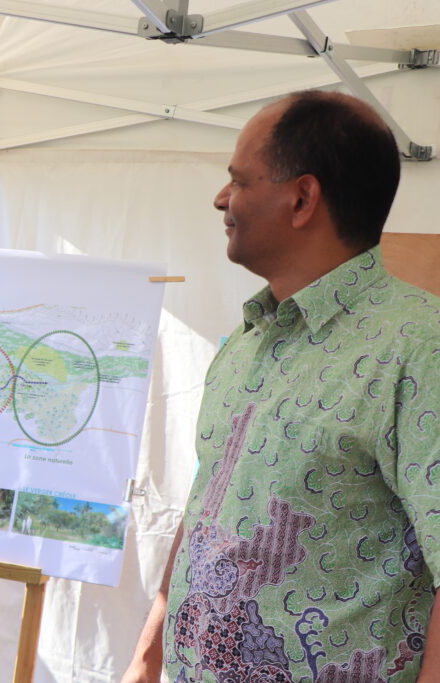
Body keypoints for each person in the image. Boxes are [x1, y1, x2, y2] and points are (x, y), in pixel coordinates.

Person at [122, 91, 440, 681]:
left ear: (302, 198)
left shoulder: (419, 350)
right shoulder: (244, 343)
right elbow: (204, 514)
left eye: (239, 181)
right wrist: (147, 657)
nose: (222, 199)